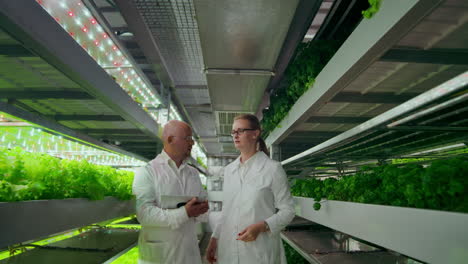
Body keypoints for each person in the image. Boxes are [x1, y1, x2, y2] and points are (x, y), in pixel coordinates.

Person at [206, 114, 295, 264]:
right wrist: (214, 238)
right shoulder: (229, 170)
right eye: (233, 132)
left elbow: (288, 210)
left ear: (255, 134)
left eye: (240, 131)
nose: (235, 135)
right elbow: (226, 210)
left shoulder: (272, 169)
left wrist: (263, 226)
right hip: (228, 249)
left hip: (259, 251)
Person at [133, 120, 209, 264]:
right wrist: (184, 213)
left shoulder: (192, 173)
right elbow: (144, 214)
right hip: (159, 257)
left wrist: (203, 209)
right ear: (170, 140)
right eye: (187, 138)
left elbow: (203, 208)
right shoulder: (147, 172)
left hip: (189, 254)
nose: (192, 143)